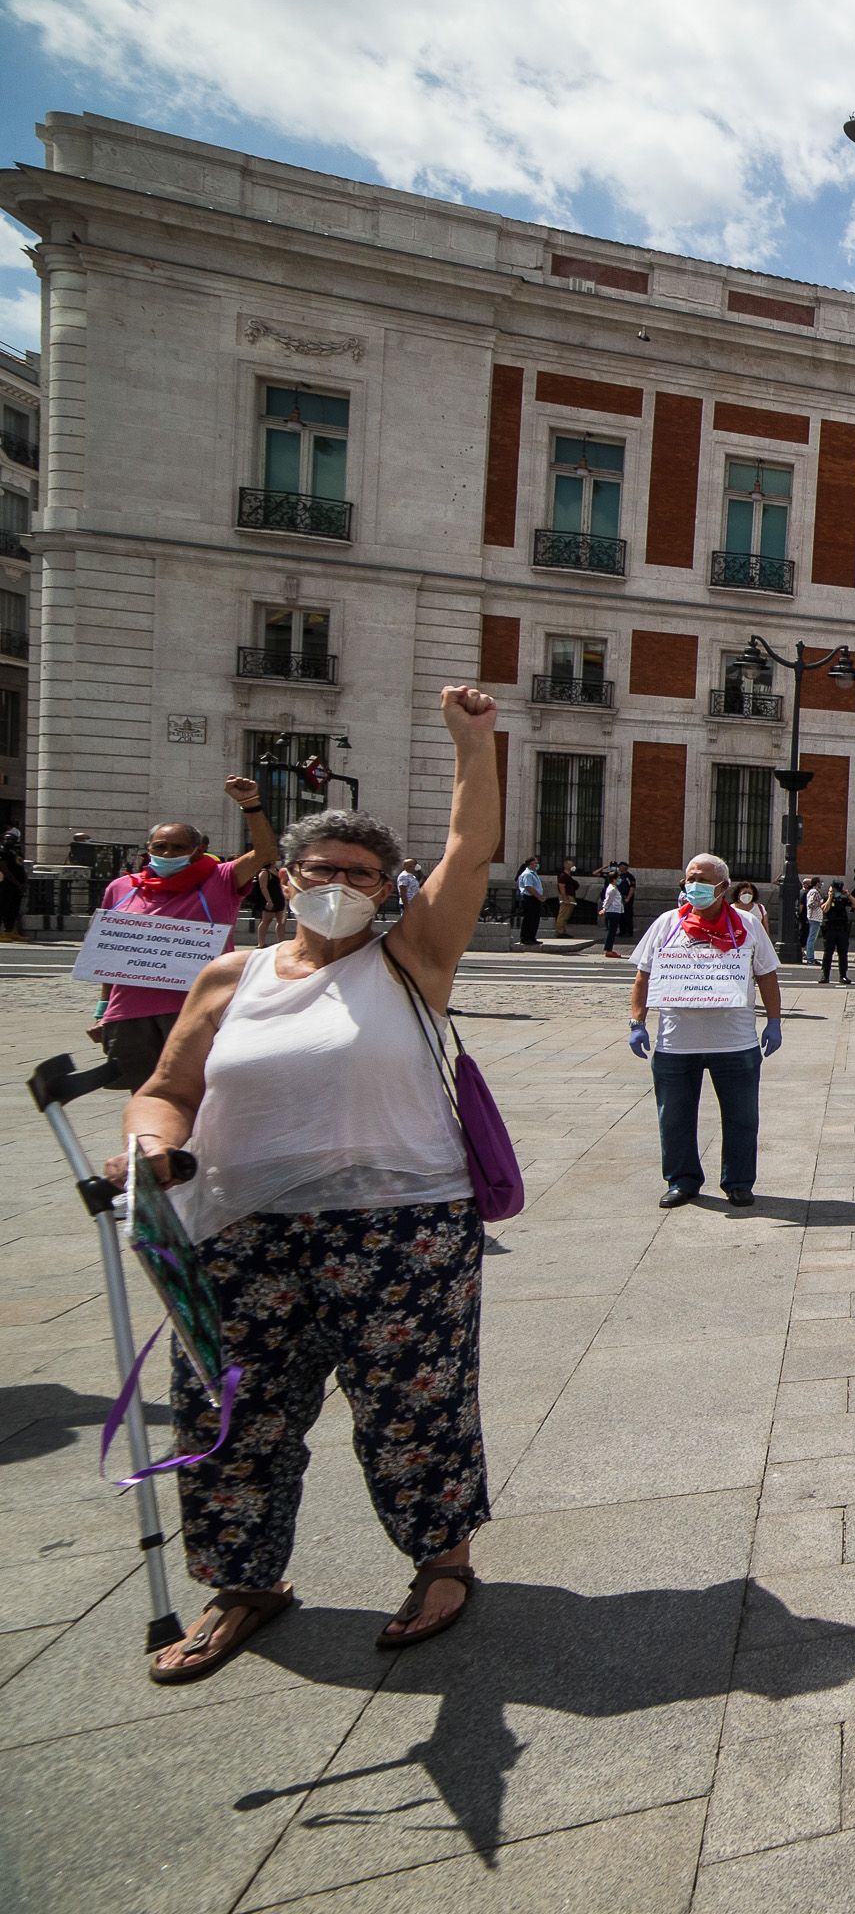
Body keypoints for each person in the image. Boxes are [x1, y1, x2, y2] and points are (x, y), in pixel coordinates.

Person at [113, 686, 501, 1684]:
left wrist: (472, 744)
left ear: (386, 888)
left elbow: (470, 849)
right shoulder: (226, 978)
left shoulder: (410, 957)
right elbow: (165, 1090)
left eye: (362, 873)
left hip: (401, 1226)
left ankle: (442, 1559)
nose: (341, 883)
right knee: (228, 1410)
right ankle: (243, 1580)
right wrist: (151, 1145)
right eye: (322, 868)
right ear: (286, 877)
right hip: (238, 1229)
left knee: (413, 1403)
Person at [89, 778, 280, 1092]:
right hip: (130, 1014)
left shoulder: (219, 879)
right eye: (160, 847)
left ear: (197, 851)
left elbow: (264, 853)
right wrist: (102, 1010)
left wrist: (251, 805)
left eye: (178, 847)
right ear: (148, 849)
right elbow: (112, 955)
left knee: (202, 1095)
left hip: (196, 1011)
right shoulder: (121, 889)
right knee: (145, 1096)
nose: (167, 852)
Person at [627, 854, 784, 1209]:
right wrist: (637, 1022)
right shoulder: (668, 924)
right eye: (689, 879)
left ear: (723, 887)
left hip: (735, 1042)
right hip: (676, 1042)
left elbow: (767, 975)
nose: (692, 886)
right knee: (674, 1116)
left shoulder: (747, 925)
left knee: (742, 1117)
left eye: (701, 879)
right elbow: (643, 975)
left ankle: (739, 1181)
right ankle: (682, 1180)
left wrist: (774, 1021)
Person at [814, 876, 853, 985]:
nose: (837, 892)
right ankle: (825, 975)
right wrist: (830, 897)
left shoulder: (843, 899)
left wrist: (848, 895)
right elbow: (825, 909)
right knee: (828, 953)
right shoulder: (826, 897)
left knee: (843, 954)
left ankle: (843, 976)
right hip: (830, 929)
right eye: (835, 889)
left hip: (842, 929)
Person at [0, 826, 27, 942]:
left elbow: (20, 867)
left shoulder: (15, 852)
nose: (9, 841)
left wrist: (24, 882)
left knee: (13, 909)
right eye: (7, 839)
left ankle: (9, 931)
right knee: (2, 908)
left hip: (17, 886)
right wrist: (16, 882)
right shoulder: (2, 851)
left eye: (11, 839)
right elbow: (4, 869)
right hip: (5, 884)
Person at [513, 855, 544, 947]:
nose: (537, 864)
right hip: (529, 898)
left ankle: (532, 937)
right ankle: (526, 938)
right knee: (529, 919)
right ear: (531, 864)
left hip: (534, 898)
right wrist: (538, 896)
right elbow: (528, 887)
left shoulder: (534, 873)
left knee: (534, 919)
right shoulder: (527, 874)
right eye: (536, 863)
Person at [599, 869, 629, 958]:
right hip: (613, 912)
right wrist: (604, 909)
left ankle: (609, 949)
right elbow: (608, 900)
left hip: (616, 911)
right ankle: (608, 950)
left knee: (613, 931)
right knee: (612, 932)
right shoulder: (612, 889)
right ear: (614, 879)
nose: (619, 879)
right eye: (618, 877)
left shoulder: (614, 887)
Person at [554, 858, 579, 939]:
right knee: (563, 914)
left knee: (566, 915)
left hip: (570, 896)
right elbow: (561, 887)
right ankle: (560, 931)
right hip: (567, 896)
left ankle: (563, 930)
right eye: (571, 865)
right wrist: (565, 898)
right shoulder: (563, 876)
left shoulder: (569, 876)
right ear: (566, 865)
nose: (573, 866)